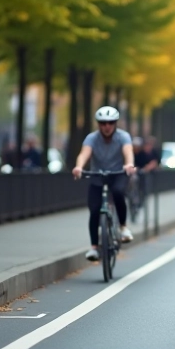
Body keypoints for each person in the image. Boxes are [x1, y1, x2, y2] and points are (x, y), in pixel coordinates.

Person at [72, 106, 137, 262]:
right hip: (97, 176)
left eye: (110, 123)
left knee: (119, 192)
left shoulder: (123, 137)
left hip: (118, 174)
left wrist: (129, 165)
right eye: (102, 123)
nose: (106, 126)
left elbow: (128, 152)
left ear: (115, 124)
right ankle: (94, 247)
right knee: (94, 210)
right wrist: (79, 167)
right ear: (98, 124)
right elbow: (84, 154)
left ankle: (123, 227)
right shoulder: (91, 138)